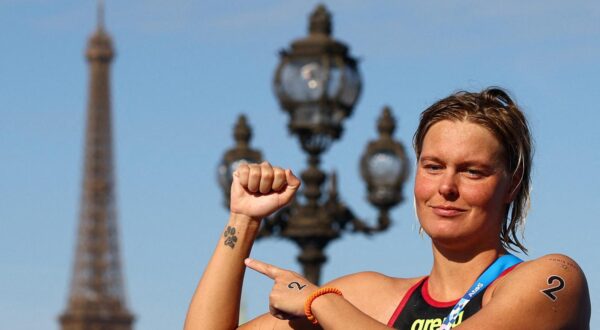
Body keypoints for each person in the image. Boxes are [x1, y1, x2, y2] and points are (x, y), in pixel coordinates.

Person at [185, 87, 591, 330]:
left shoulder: (553, 279)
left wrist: (317, 302)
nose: (446, 187)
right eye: (433, 167)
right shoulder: (371, 296)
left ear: (511, 185)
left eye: (472, 171)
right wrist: (244, 219)